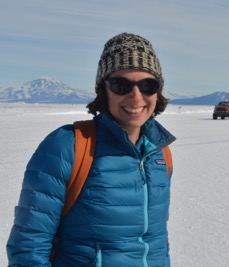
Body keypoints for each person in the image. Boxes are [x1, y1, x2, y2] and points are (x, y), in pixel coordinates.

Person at [7, 32, 176, 266]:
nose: (136, 97)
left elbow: (156, 241)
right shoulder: (68, 145)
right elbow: (29, 247)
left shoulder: (159, 153)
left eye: (147, 85)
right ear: (103, 90)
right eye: (121, 85)